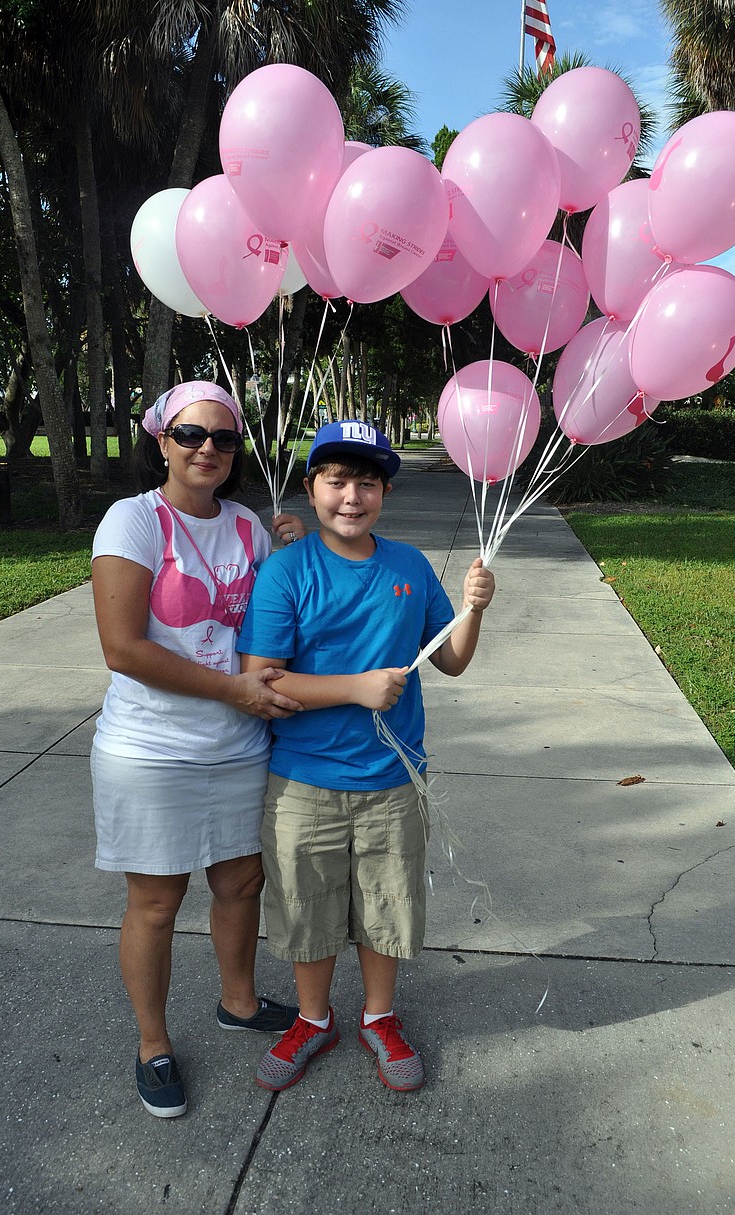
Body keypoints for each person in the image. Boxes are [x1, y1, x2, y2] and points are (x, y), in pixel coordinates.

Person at [237, 419, 495, 1093]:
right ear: (312, 487)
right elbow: (262, 680)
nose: (352, 496)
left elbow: (453, 660)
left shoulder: (408, 565)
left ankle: (379, 1016)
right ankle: (315, 1018)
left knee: (387, 901)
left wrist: (472, 609)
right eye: (337, 481)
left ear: (385, 491)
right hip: (304, 780)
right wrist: (356, 688)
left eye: (368, 483)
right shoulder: (287, 570)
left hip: (393, 777)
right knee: (307, 905)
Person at [90, 380, 307, 1119]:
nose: (207, 447)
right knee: (156, 899)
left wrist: (295, 557)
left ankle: (238, 1001)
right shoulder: (133, 521)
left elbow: (272, 627)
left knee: (241, 882)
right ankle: (152, 1043)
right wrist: (232, 693)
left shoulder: (247, 526)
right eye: (191, 434)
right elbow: (123, 648)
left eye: (222, 436)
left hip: (237, 743)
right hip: (151, 748)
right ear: (163, 441)